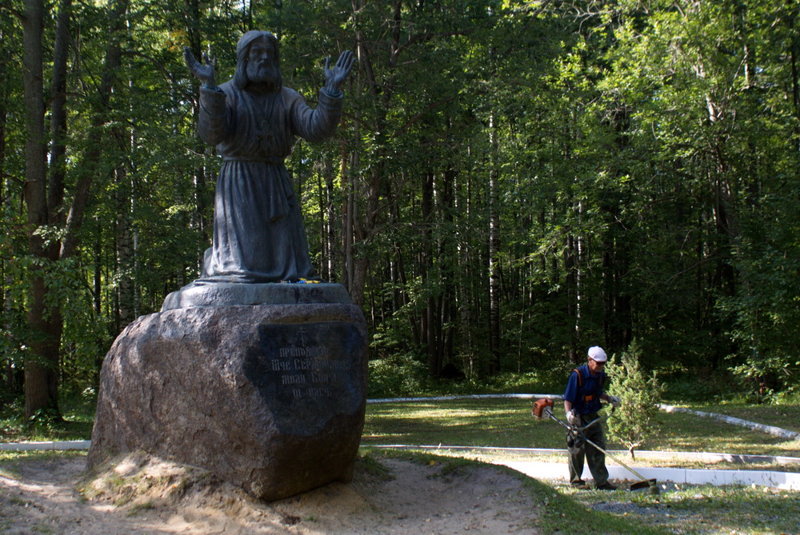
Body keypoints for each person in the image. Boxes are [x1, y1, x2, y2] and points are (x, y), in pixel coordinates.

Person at [184, 31, 355, 282]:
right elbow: (211, 135)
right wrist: (209, 88)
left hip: (275, 180)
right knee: (244, 263)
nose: (264, 58)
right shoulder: (226, 93)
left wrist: (331, 91)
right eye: (257, 53)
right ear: (244, 58)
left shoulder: (287, 98)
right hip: (240, 183)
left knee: (286, 262)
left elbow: (316, 129)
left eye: (269, 54)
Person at [563, 346, 620, 490]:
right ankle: (576, 482)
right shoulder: (578, 375)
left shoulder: (600, 375)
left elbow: (597, 393)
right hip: (578, 418)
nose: (601, 366)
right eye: (598, 363)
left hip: (593, 416)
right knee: (576, 450)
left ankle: (601, 482)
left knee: (598, 447)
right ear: (590, 360)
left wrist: (609, 399)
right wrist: (568, 414)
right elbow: (568, 399)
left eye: (603, 363)